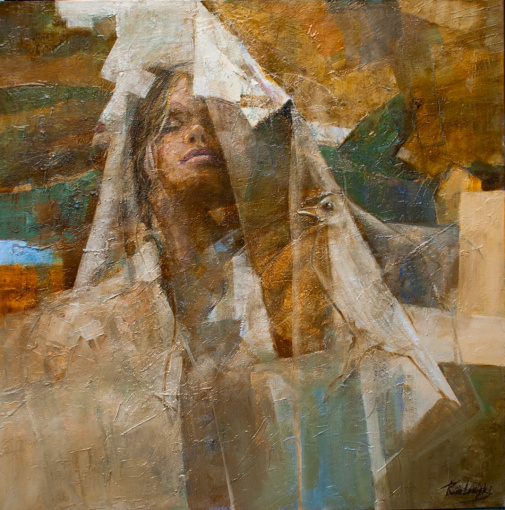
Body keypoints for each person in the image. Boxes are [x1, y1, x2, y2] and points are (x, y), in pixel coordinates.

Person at [0, 4, 472, 508]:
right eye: (172, 123)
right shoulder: (90, 321)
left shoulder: (289, 280)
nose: (197, 134)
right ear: (142, 155)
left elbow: (358, 409)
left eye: (214, 122)